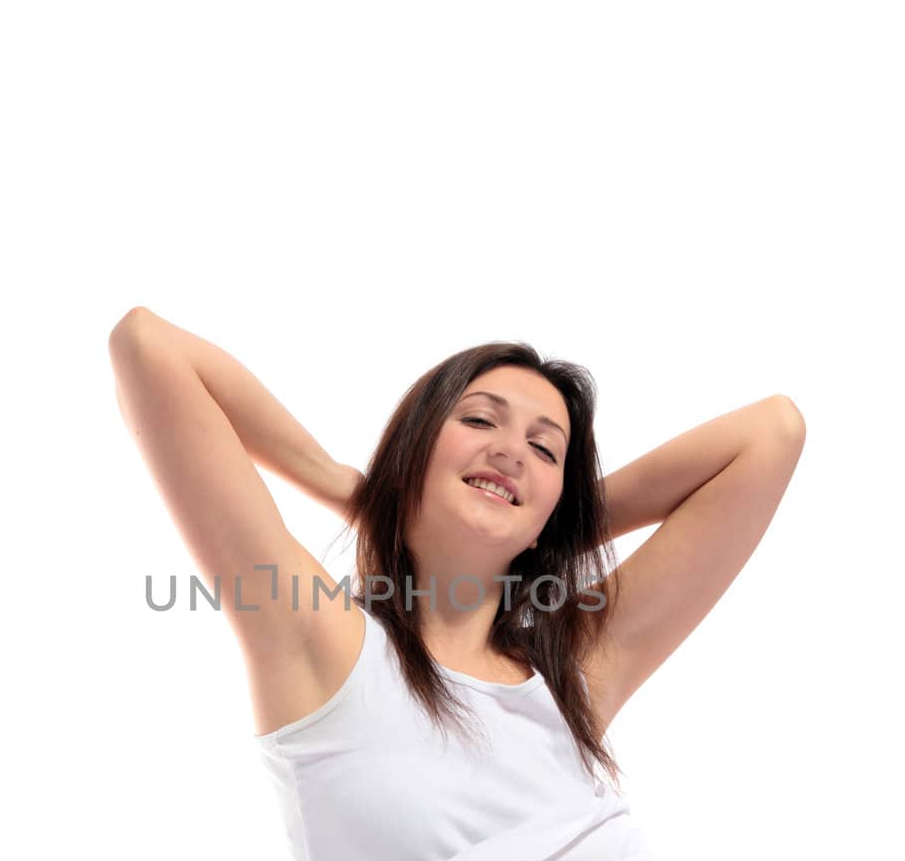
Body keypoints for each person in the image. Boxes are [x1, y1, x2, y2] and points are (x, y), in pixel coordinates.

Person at [107, 304, 805, 795]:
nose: (509, 451)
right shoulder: (318, 640)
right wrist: (364, 491)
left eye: (543, 449)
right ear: (414, 450)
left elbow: (771, 432)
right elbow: (147, 345)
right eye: (478, 420)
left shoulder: (575, 675)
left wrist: (545, 533)